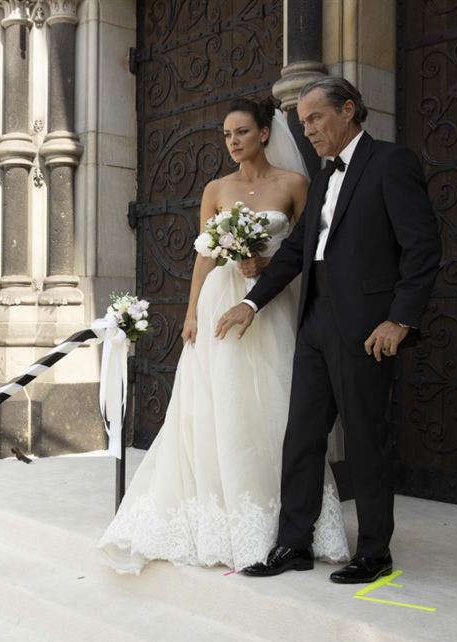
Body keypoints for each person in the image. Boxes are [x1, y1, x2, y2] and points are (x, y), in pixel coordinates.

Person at [98, 98, 350, 574]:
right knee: (223, 404)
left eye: (242, 132)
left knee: (277, 404)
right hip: (219, 303)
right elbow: (204, 255)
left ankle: (290, 523)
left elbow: (312, 251)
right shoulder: (215, 188)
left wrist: (268, 266)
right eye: (227, 135)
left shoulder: (295, 184)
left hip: (272, 303)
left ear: (264, 134)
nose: (233, 142)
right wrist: (191, 312)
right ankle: (226, 518)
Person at [219, 78, 441, 583]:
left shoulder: (390, 163)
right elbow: (298, 251)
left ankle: (375, 551)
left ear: (349, 110)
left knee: (366, 439)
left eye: (315, 119)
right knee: (301, 437)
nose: (309, 131)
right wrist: (252, 302)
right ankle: (293, 545)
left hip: (366, 328)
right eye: (302, 124)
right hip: (314, 321)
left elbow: (422, 246)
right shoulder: (321, 176)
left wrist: (400, 318)